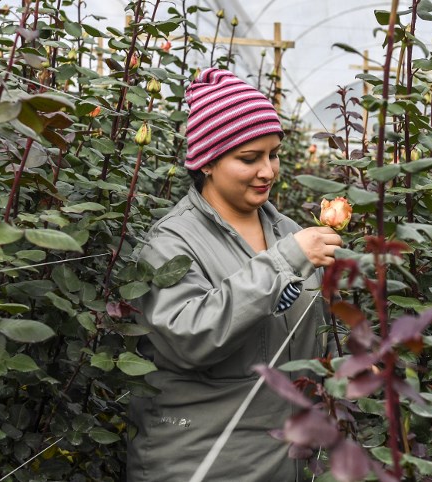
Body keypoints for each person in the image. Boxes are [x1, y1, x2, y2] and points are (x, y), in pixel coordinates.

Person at [126, 68, 342, 481]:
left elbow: (313, 339)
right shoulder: (170, 244)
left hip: (288, 461)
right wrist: (284, 262)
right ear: (206, 161)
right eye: (249, 158)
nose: (268, 171)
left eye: (273, 154)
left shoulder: (289, 233)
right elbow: (190, 338)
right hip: (205, 465)